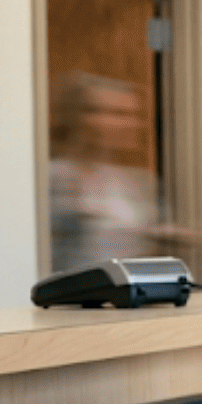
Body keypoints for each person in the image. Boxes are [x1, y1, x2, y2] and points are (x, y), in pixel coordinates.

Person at [48, 71, 172, 272]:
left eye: (132, 115)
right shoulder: (53, 179)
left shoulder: (136, 182)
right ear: (81, 116)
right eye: (116, 114)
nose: (129, 123)